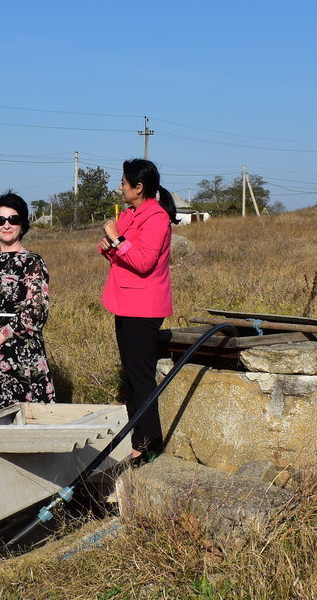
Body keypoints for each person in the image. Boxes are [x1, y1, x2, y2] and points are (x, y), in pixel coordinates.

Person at [98, 159, 179, 458]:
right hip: (125, 302)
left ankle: (149, 444)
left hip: (143, 307)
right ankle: (137, 440)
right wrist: (111, 244)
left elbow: (144, 261)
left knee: (141, 377)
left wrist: (117, 239)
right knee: (132, 375)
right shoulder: (132, 214)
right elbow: (118, 251)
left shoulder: (156, 218)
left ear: (139, 187)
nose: (120, 186)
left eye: (124, 182)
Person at [0, 192, 54, 420]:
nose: (6, 225)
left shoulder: (33, 262)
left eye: (13, 219)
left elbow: (36, 312)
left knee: (23, 423)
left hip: (20, 355)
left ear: (23, 223)